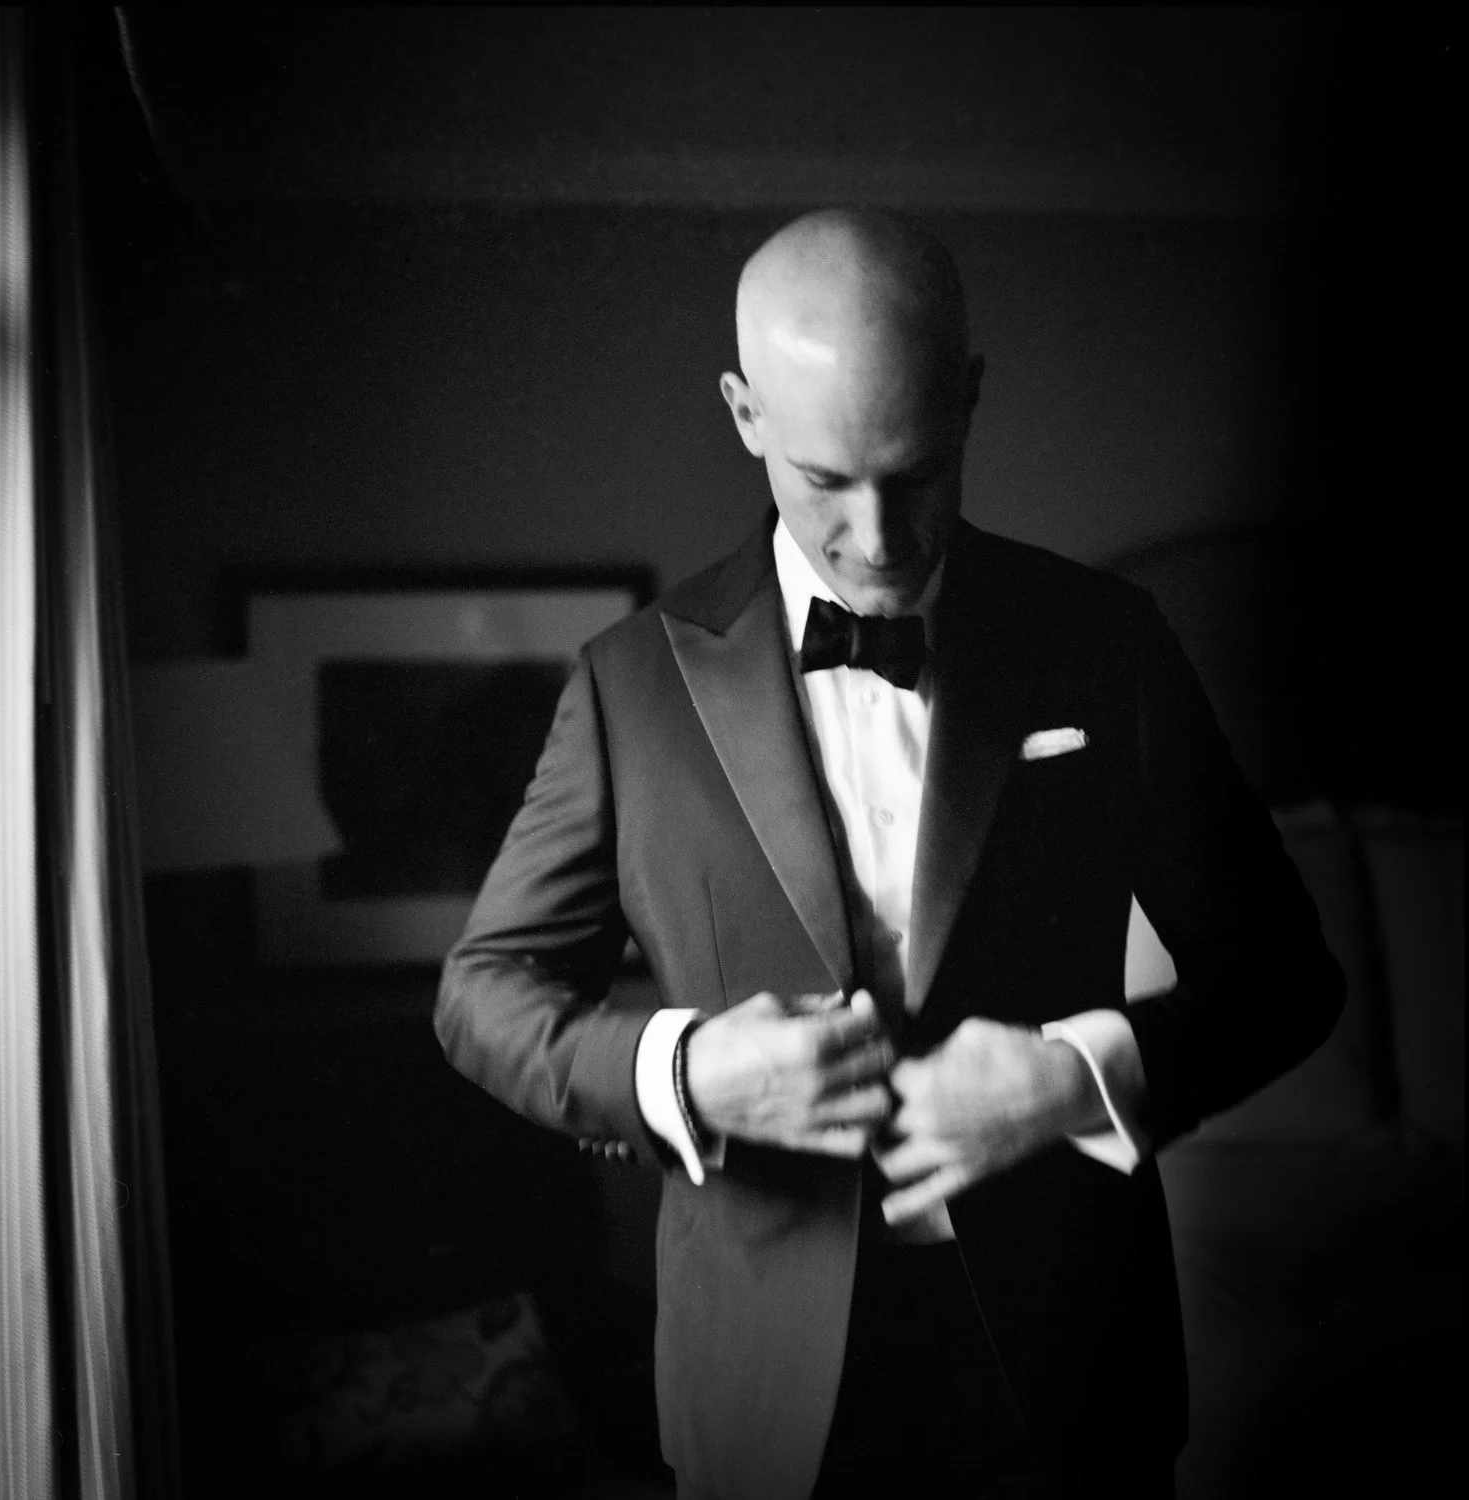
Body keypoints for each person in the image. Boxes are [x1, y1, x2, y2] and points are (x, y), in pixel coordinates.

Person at [434, 209, 1342, 1498]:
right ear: (746, 417)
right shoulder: (629, 687)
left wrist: (1076, 1080)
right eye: (824, 482)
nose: (879, 535)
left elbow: (1286, 978)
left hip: (1068, 1368)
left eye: (916, 472)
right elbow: (483, 994)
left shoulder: (1108, 642)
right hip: (762, 1391)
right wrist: (685, 1073)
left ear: (968, 397)